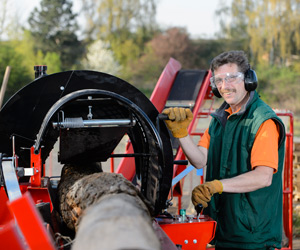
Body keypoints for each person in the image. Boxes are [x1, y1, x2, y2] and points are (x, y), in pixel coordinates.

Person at [162, 50, 286, 250]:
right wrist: (181, 133)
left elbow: (263, 177)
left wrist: (216, 186)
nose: (224, 86)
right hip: (222, 230)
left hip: (253, 237)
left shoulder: (263, 121)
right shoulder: (220, 119)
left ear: (248, 80)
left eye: (231, 78)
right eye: (218, 80)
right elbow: (200, 160)